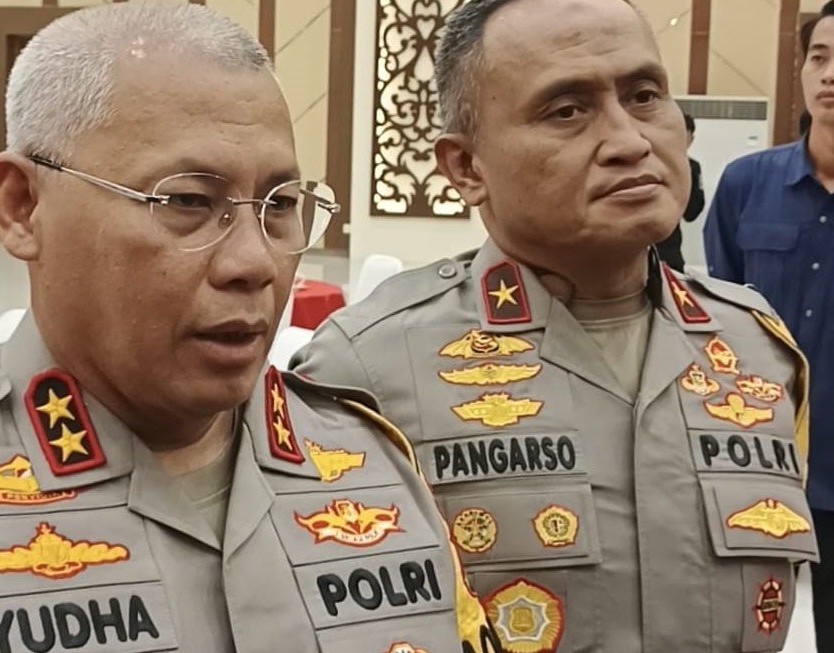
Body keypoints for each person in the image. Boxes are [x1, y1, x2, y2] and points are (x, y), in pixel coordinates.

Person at [0, 5, 502, 652]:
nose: (254, 262)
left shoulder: (374, 467)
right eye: (186, 201)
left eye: (279, 205)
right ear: (22, 207)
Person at [294, 0, 816, 651]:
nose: (630, 142)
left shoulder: (757, 349)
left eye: (644, 96)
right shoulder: (366, 369)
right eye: (567, 110)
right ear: (466, 167)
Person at [705, 1, 834, 648]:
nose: (830, 74)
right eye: (820, 57)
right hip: (756, 461)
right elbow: (715, 323)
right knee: (739, 631)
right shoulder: (744, 184)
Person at [655, 113, 705, 271]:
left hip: (671, 249)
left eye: (684, 135)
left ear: (691, 139)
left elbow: (692, 213)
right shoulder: (647, 162)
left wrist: (684, 173)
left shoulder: (692, 167)